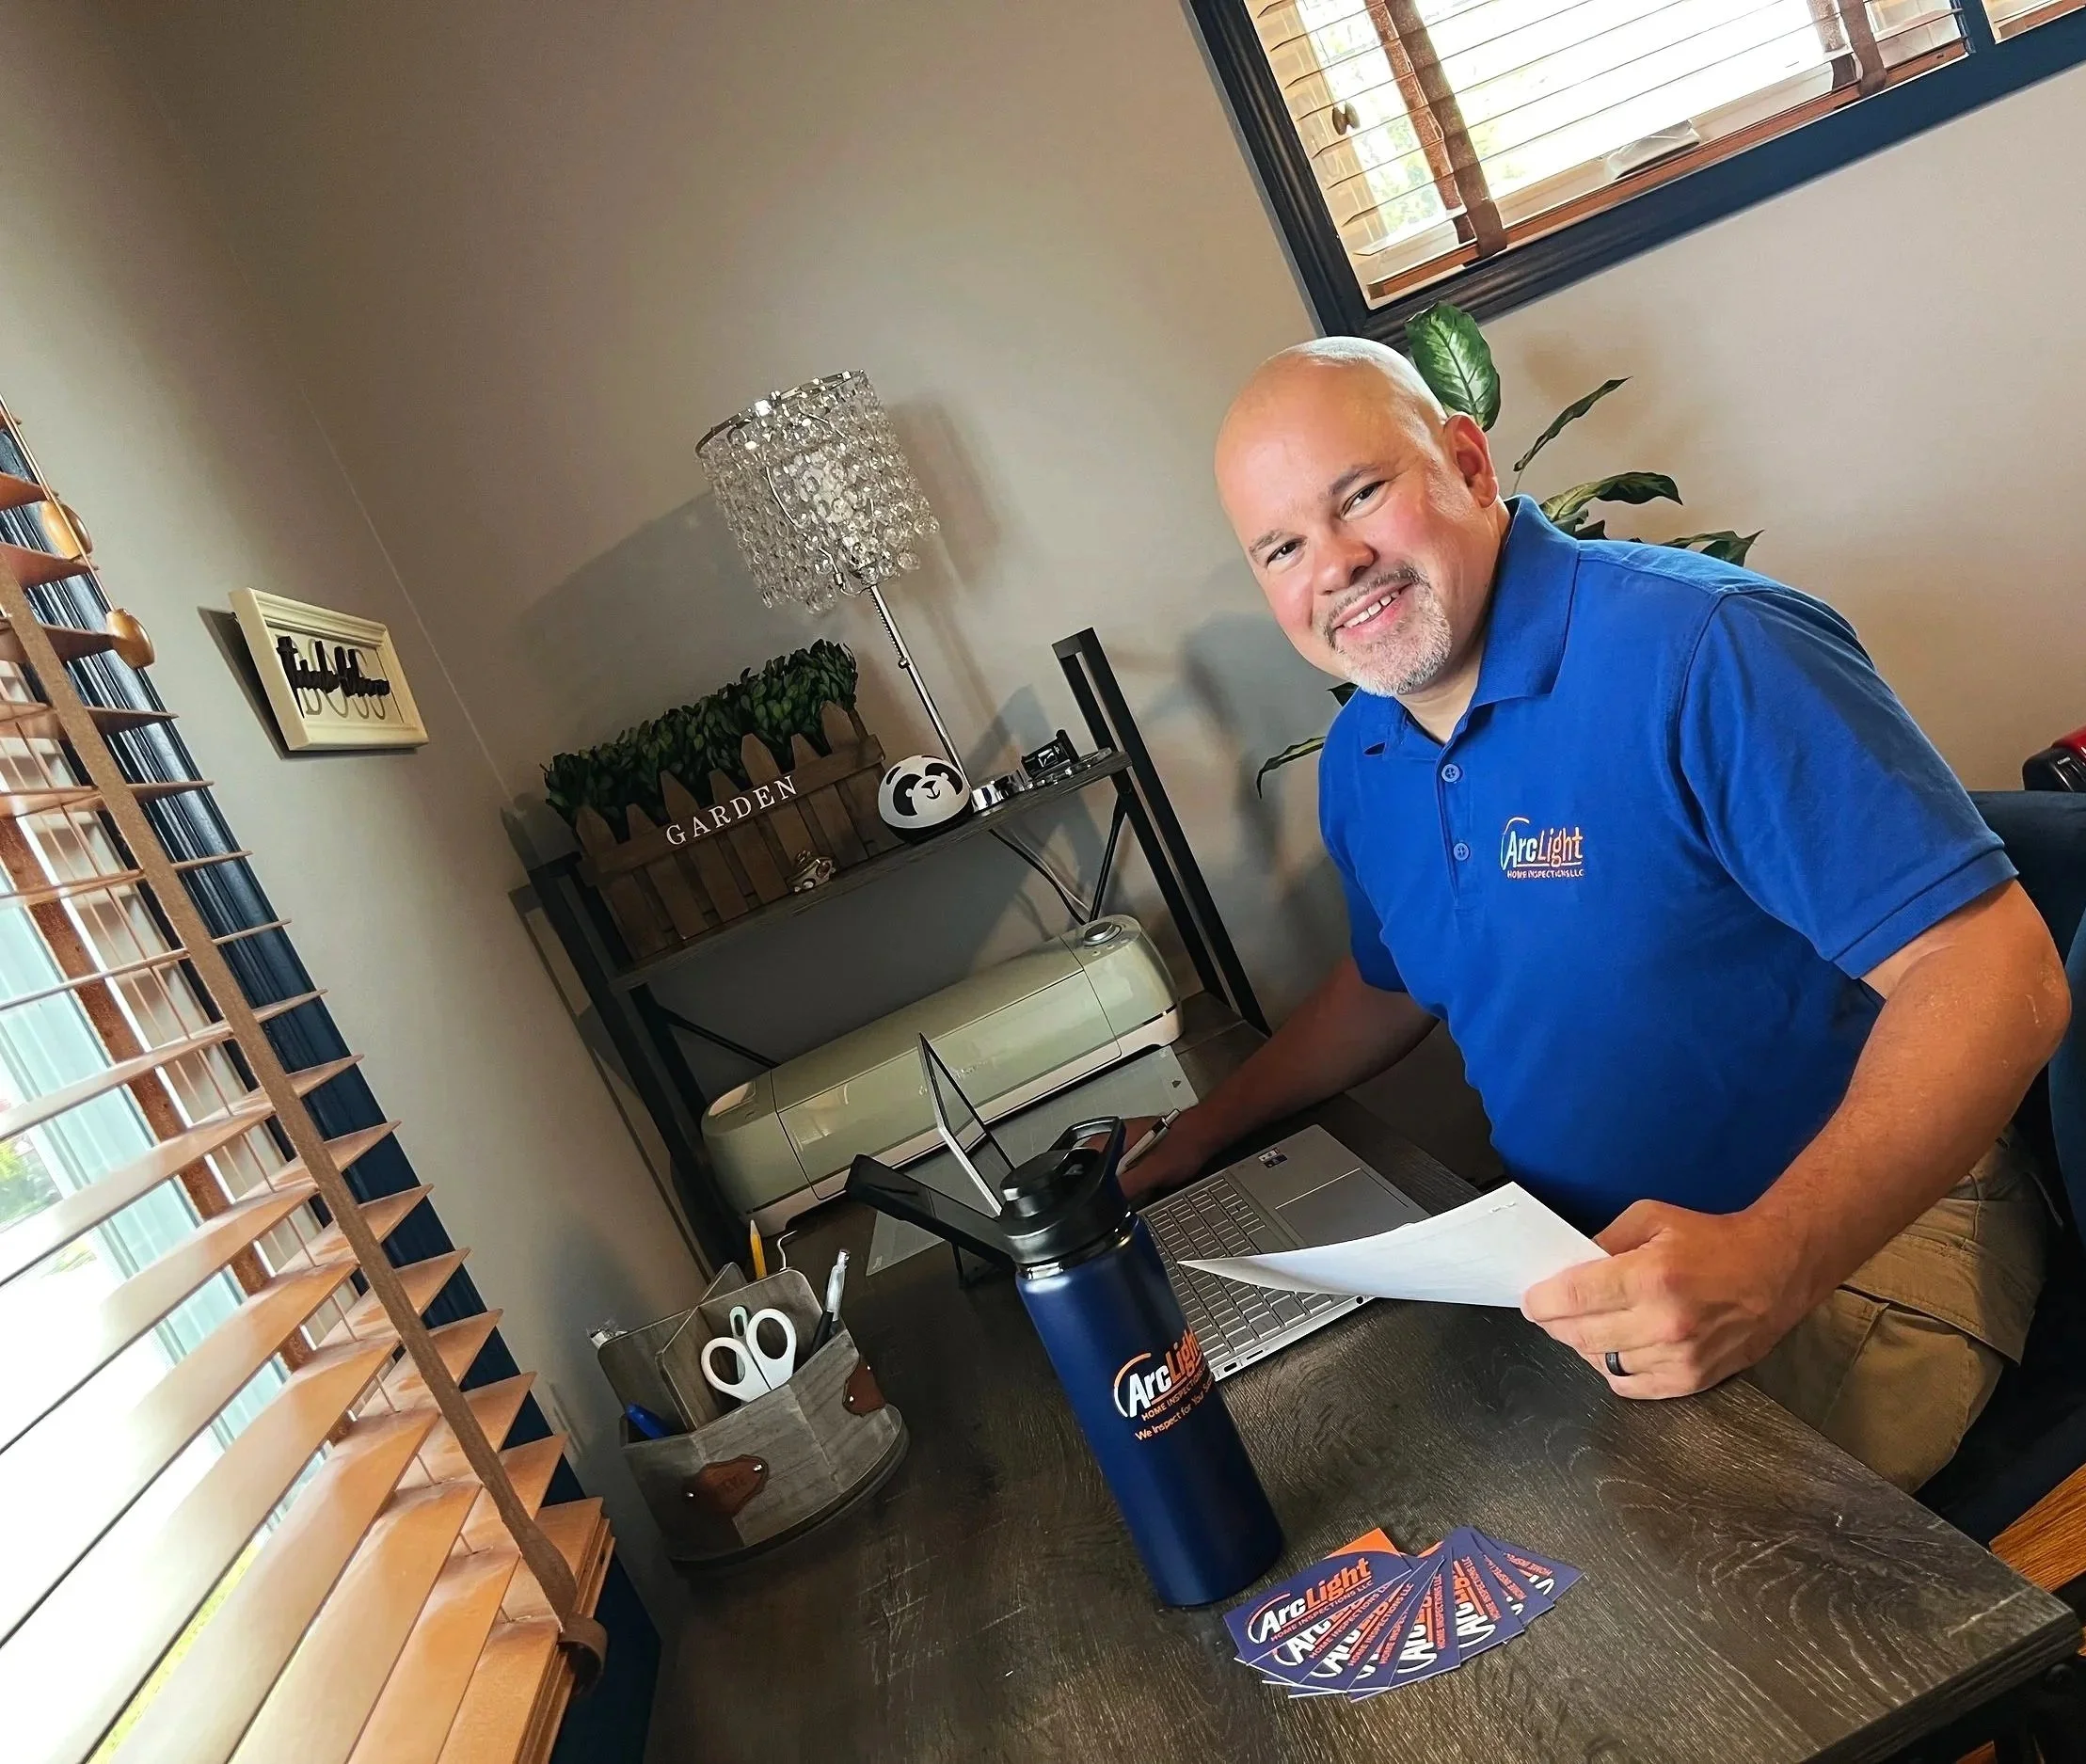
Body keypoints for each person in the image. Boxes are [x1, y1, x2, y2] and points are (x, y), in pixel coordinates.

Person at [1125, 337, 2069, 1491]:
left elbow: (1998, 971)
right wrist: (1200, 1137)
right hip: (1571, 1268)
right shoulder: (1364, 753)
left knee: (1642, 1623)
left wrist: (1773, 1257)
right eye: (1283, 546)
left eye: (1360, 495)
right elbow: (1389, 982)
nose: (1337, 565)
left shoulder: (1705, 648)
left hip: (1859, 1252)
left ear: (1469, 465)